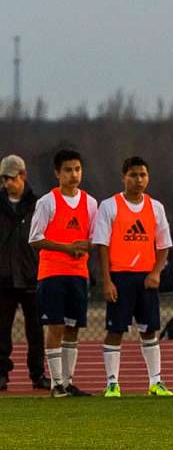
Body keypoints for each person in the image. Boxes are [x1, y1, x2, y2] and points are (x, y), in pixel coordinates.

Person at [91, 156, 173, 398]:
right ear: (124, 177)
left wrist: (156, 272)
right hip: (120, 277)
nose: (139, 180)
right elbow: (102, 246)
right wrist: (107, 280)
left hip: (146, 279)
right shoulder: (110, 206)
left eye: (143, 175)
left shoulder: (156, 207)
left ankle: (155, 383)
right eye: (134, 175)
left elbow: (164, 244)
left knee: (149, 330)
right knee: (116, 330)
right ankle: (112, 383)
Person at [28, 149, 98, 397]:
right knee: (55, 326)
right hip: (52, 273)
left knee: (73, 328)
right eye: (68, 170)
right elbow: (35, 239)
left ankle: (68, 382)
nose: (74, 174)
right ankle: (56, 383)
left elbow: (95, 238)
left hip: (78, 273)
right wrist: (65, 247)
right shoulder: (47, 202)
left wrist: (85, 246)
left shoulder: (90, 202)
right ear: (57, 173)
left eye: (77, 169)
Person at [0, 155, 48, 391]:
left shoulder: (38, 204)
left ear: (23, 175)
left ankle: (38, 374)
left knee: (36, 331)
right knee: (1, 331)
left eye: (10, 177)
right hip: (4, 277)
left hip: (31, 275)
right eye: (4, 178)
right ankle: (1, 374)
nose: (7, 183)